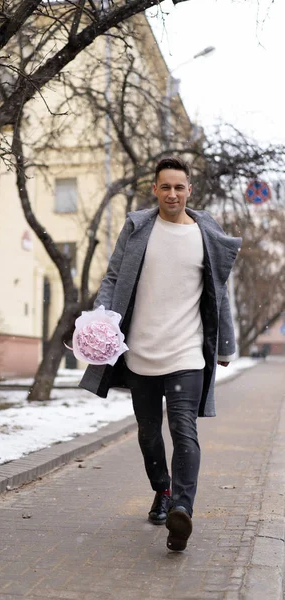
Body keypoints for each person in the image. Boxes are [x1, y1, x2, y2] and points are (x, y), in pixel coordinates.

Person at [79, 157, 242, 552]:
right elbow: (114, 277)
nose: (172, 193)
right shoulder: (138, 228)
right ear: (155, 189)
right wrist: (101, 319)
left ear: (190, 190)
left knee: (184, 429)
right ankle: (163, 490)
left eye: (179, 187)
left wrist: (225, 345)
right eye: (165, 186)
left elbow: (218, 293)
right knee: (150, 432)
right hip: (141, 352)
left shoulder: (207, 235)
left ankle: (182, 510)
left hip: (187, 351)